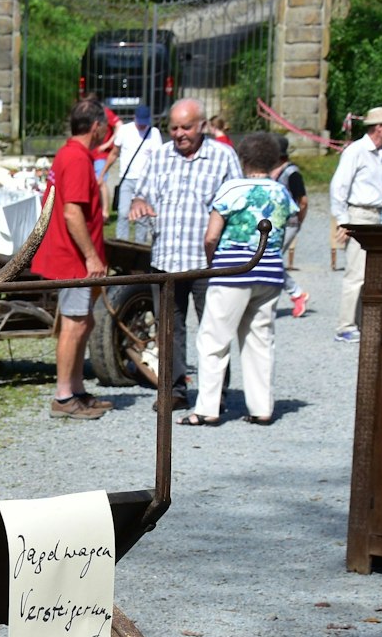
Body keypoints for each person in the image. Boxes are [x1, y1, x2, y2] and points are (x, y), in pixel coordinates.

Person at [125, 98, 242, 408]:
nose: (179, 134)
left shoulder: (223, 157)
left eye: (186, 127)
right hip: (166, 259)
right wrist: (139, 203)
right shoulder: (159, 156)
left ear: (202, 125)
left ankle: (214, 394)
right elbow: (141, 194)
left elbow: (237, 204)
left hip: (208, 261)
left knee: (213, 329)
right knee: (168, 330)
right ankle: (174, 391)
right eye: (174, 128)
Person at [179, 132, 297, 427]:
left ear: (242, 159)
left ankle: (207, 408)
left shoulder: (232, 188)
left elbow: (211, 236)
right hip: (270, 272)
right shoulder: (281, 192)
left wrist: (213, 263)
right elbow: (293, 221)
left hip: (232, 271)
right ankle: (261, 408)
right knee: (260, 340)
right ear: (274, 160)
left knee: (213, 340)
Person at [33, 98, 114, 420]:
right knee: (75, 324)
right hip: (74, 258)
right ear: (96, 127)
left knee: (84, 321)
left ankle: (76, 390)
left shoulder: (69, 154)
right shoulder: (78, 158)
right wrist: (92, 257)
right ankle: (64, 396)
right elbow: (72, 213)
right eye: (104, 126)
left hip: (71, 255)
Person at [329, 106, 382, 343]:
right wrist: (343, 220)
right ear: (379, 127)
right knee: (356, 273)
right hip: (358, 214)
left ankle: (359, 322)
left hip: (375, 214)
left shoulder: (381, 154)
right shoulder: (356, 151)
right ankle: (345, 325)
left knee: (369, 273)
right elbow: (339, 186)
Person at [272, 135, 310, 317]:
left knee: (271, 259)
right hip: (273, 222)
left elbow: (303, 201)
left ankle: (296, 293)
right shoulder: (270, 169)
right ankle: (295, 293)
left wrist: (298, 221)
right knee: (270, 259)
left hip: (288, 222)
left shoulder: (292, 173)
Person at [112, 104, 160, 240]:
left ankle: (140, 244)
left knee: (142, 217)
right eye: (140, 122)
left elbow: (157, 158)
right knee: (123, 213)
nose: (142, 125)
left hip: (145, 181)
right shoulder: (124, 130)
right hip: (127, 178)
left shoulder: (154, 133)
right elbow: (114, 153)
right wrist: (103, 172)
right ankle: (121, 243)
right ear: (134, 118)